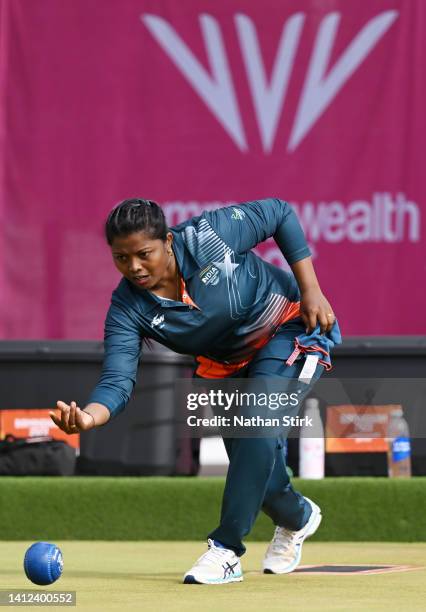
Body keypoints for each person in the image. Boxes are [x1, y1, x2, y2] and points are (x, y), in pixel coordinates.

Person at [50, 197, 341, 585]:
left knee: (258, 425)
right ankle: (298, 517)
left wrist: (312, 291)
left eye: (143, 254)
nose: (134, 267)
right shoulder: (126, 307)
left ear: (168, 241)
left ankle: (226, 551)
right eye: (121, 258)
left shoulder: (209, 236)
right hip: (223, 368)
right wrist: (89, 417)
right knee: (253, 463)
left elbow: (280, 213)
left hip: (288, 328)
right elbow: (117, 380)